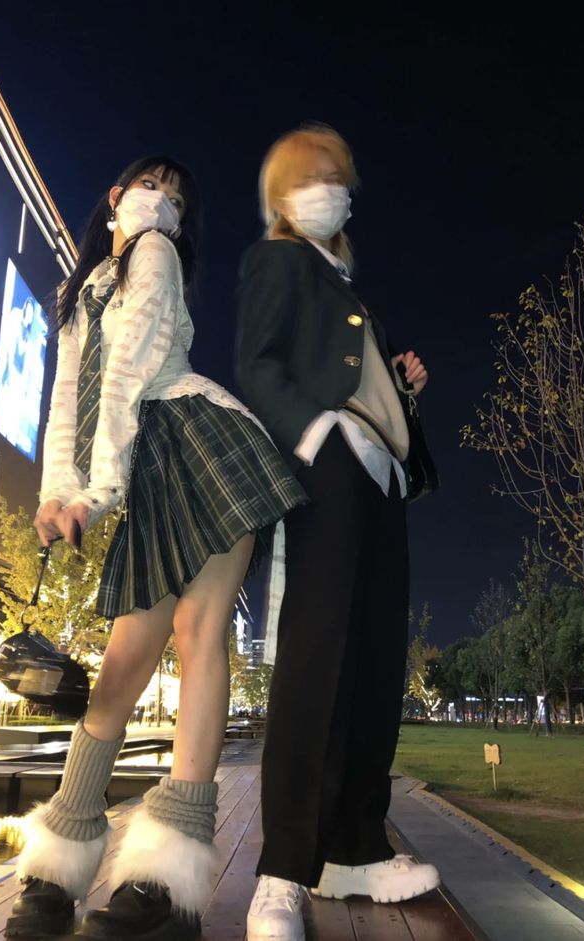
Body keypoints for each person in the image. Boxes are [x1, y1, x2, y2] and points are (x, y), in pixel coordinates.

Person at [5, 156, 305, 941]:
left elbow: (133, 369)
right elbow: (67, 401)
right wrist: (55, 496)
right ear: (115, 195)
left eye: (177, 200)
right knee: (122, 664)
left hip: (198, 444)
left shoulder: (155, 255)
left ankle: (164, 884)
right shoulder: (82, 292)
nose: (163, 205)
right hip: (144, 467)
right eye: (152, 189)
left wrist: (92, 496)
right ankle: (58, 864)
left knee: (198, 635)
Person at [235, 125, 440, 941]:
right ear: (285, 191)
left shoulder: (352, 289)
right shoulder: (277, 261)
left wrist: (401, 390)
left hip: (382, 476)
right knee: (318, 655)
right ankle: (283, 867)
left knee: (375, 664)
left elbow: (360, 381)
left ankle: (355, 844)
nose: (336, 190)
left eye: (343, 180)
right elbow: (258, 364)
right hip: (332, 465)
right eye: (319, 177)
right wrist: (314, 437)